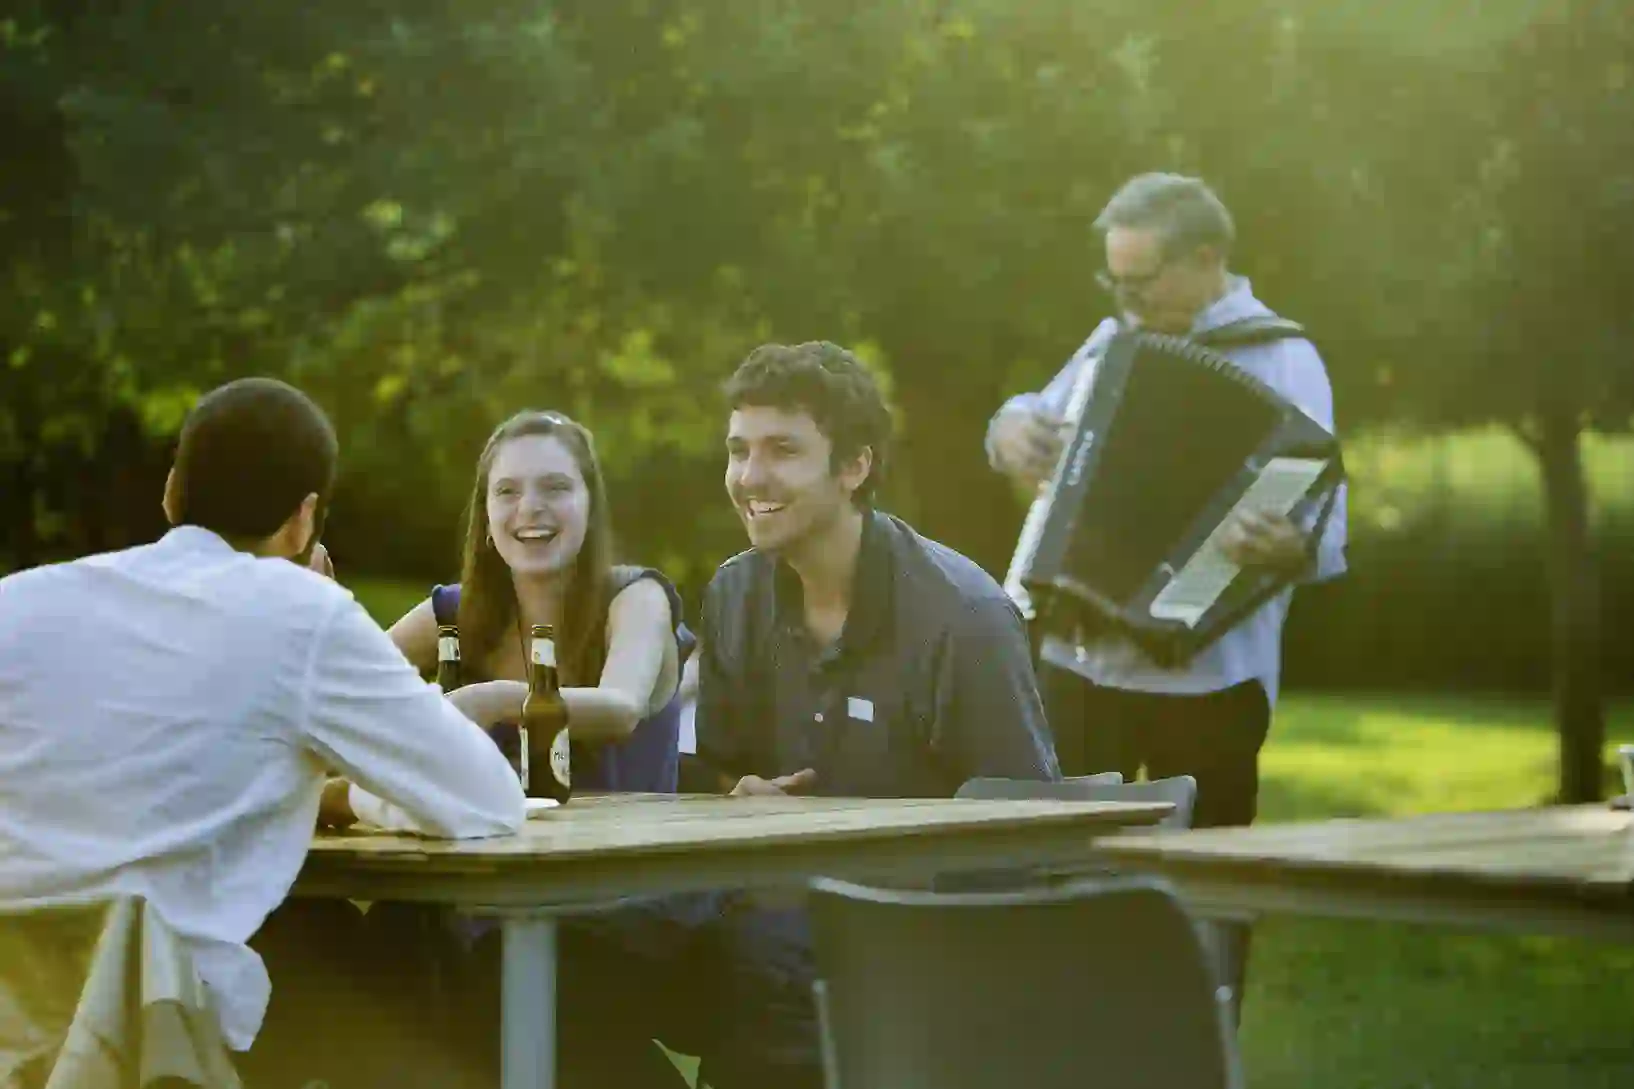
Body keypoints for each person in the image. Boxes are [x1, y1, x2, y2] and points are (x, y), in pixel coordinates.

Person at [0, 377, 527, 1086]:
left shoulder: (21, 601)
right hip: (156, 1038)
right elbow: (487, 798)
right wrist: (353, 798)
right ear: (303, 520)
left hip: (17, 1017)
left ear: (170, 491)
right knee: (397, 963)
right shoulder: (301, 614)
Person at [985, 171, 1349, 1020]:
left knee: (1209, 900)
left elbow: (1328, 536)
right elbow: (1023, 420)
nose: (1124, 299)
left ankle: (1200, 1051)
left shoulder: (1288, 358)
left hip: (1211, 683)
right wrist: (1008, 431)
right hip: (1078, 662)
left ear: (1207, 258)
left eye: (1140, 282)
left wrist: (1289, 546)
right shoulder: (1112, 338)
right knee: (1061, 881)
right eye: (1113, 280)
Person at [691, 340, 1062, 1089]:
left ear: (855, 466)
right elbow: (714, 772)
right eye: (738, 450)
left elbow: (1026, 834)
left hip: (927, 949)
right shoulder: (734, 595)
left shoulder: (966, 618)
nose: (750, 476)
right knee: (582, 957)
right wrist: (737, 795)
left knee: (759, 980)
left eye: (783, 450)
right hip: (772, 923)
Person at [352, 408, 700, 1089]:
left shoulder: (635, 596)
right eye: (507, 491)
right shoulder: (456, 612)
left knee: (502, 979)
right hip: (477, 895)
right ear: (485, 516)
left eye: (554, 488)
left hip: (617, 897)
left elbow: (622, 705)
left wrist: (486, 701)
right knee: (365, 945)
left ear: (589, 505)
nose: (529, 509)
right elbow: (344, 693)